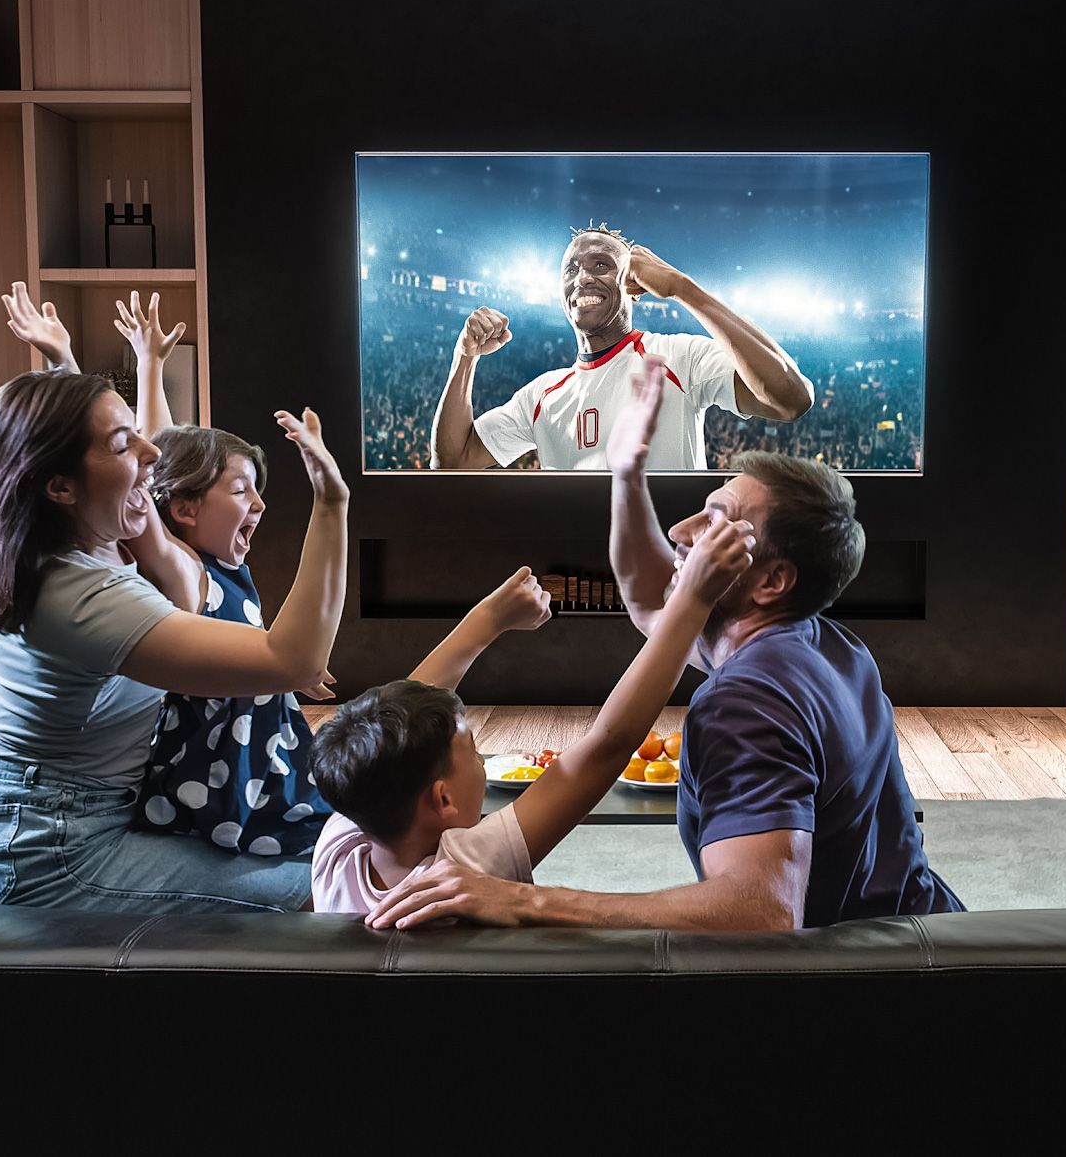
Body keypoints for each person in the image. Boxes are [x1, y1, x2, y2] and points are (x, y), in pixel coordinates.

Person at [369, 363, 963, 930]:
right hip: (927, 926)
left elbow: (760, 913)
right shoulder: (821, 639)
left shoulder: (744, 704)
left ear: (771, 581)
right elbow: (652, 600)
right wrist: (628, 475)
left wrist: (525, 900)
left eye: (716, 523)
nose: (682, 531)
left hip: (880, 975)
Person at [0, 300, 350, 912]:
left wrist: (65, 365)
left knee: (324, 853)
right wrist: (332, 503)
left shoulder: (91, 533)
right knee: (328, 889)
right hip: (47, 847)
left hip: (66, 814)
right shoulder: (78, 593)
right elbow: (292, 660)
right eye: (123, 445)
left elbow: (90, 453)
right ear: (60, 487)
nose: (152, 454)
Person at [311, 380, 755, 913]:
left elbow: (399, 705)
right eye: (474, 752)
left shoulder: (339, 846)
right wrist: (694, 597)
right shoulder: (465, 867)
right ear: (443, 799)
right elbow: (608, 745)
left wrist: (487, 620)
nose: (481, 759)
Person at [429, 223, 813, 471]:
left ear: (633, 285)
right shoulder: (540, 395)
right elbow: (451, 462)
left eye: (601, 265)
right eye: (571, 269)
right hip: (575, 574)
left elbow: (791, 398)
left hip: (673, 575)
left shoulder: (679, 357)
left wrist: (682, 288)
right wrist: (464, 358)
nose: (583, 278)